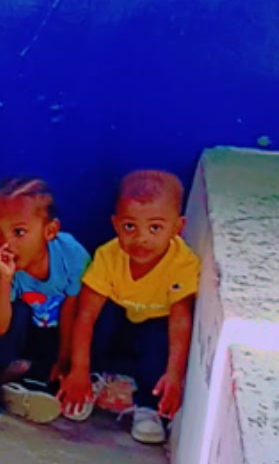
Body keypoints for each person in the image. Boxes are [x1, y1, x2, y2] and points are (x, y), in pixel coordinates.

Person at [59, 169, 200, 445]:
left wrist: (174, 375)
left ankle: (149, 406)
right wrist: (78, 369)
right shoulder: (108, 256)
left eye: (155, 228)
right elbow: (86, 315)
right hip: (117, 333)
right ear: (115, 224)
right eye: (129, 227)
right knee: (103, 314)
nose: (141, 238)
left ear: (177, 227)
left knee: (159, 334)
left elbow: (181, 320)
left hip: (150, 337)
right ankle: (91, 379)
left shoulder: (183, 264)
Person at [0, 178, 89, 424]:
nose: (5, 243)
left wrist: (64, 361)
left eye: (19, 232)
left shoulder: (71, 255)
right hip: (1, 326)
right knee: (11, 313)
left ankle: (30, 383)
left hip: (42, 330)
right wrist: (4, 279)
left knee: (85, 320)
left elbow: (73, 310)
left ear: (50, 231)